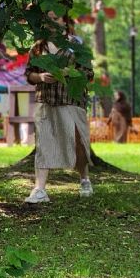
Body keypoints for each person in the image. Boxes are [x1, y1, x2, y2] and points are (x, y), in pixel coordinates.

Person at [24, 27, 94, 204]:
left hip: (72, 100)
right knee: (43, 143)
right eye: (48, 17)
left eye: (56, 16)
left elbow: (88, 73)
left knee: (78, 141)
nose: (52, 21)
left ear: (64, 19)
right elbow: (29, 74)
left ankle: (85, 180)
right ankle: (40, 189)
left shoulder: (76, 45)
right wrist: (40, 77)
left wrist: (66, 73)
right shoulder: (38, 47)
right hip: (46, 101)